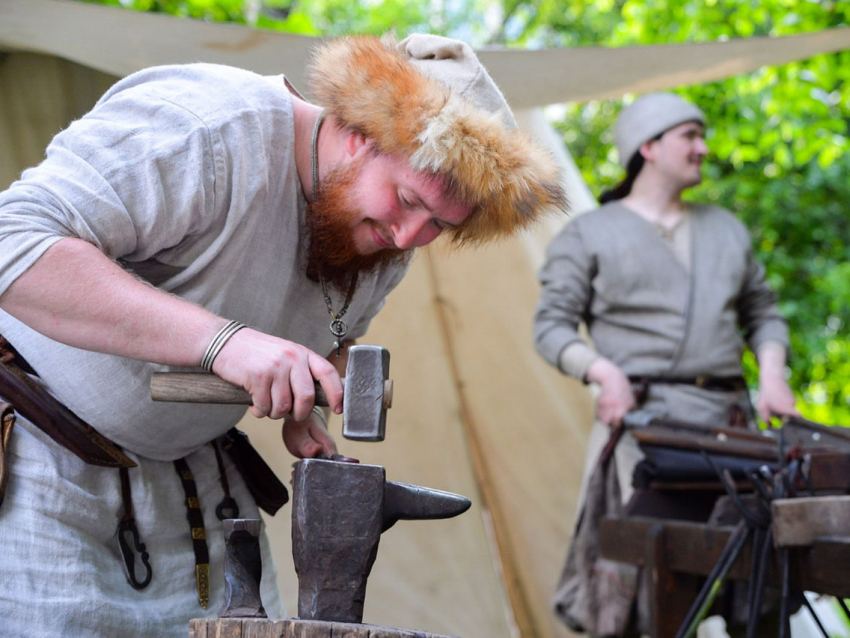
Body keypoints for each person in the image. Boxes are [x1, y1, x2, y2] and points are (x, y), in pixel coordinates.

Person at [0, 33, 566, 635]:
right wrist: (226, 343)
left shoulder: (385, 234)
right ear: (359, 131)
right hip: (41, 464)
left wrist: (306, 393)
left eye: (439, 226)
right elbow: (13, 243)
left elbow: (327, 324)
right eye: (406, 199)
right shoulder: (210, 128)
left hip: (193, 487)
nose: (407, 238)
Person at [533, 92, 798, 635]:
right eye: (690, 136)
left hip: (732, 428)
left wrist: (772, 374)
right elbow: (551, 326)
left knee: (760, 582)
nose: (703, 148)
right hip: (642, 433)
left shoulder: (726, 228)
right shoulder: (589, 233)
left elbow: (764, 314)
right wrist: (602, 372)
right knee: (638, 591)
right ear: (648, 147)